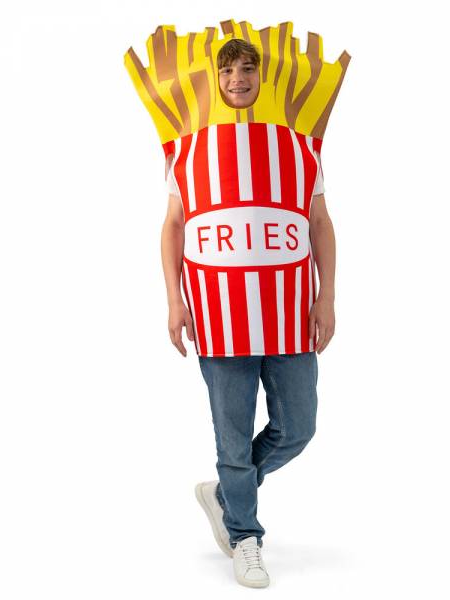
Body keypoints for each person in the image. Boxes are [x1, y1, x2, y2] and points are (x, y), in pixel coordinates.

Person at [160, 38, 337, 588]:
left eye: (247, 68)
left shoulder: (299, 147)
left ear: (263, 77)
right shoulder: (188, 150)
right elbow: (175, 225)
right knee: (232, 439)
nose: (237, 78)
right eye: (227, 70)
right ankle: (245, 535)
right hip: (219, 312)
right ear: (214, 81)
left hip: (289, 311)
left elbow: (318, 222)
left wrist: (326, 295)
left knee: (298, 427)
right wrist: (175, 299)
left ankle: (225, 493)